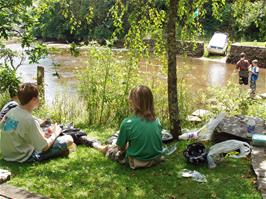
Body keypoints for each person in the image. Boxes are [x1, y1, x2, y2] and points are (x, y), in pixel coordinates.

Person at [92, 85, 163, 169]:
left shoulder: (127, 122)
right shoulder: (156, 120)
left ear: (134, 102)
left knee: (111, 149)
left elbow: (120, 148)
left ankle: (96, 145)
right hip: (156, 159)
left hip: (137, 161)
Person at [0, 83, 75, 163]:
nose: (39, 99)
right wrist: (55, 133)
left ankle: (61, 152)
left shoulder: (11, 112)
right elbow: (44, 147)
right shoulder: (28, 119)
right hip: (24, 157)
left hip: (8, 155)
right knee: (69, 139)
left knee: (49, 138)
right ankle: (61, 152)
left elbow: (14, 132)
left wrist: (46, 135)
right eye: (38, 97)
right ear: (33, 100)